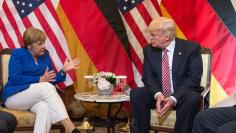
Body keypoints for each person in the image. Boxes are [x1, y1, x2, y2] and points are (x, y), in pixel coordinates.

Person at [0, 27, 81, 133]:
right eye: (39, 44)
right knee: (47, 86)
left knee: (44, 108)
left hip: (33, 97)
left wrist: (63, 71)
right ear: (29, 46)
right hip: (13, 96)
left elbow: (49, 79)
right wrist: (39, 79)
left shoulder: (44, 55)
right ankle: (70, 128)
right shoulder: (18, 54)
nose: (43, 46)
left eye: (44, 42)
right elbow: (16, 78)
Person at [130, 17, 203, 133]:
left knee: (192, 97)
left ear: (167, 37)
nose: (149, 38)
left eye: (153, 35)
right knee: (137, 94)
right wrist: (158, 95)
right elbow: (147, 77)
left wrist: (174, 98)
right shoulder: (149, 50)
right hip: (159, 94)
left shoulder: (191, 48)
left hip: (181, 94)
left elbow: (193, 79)